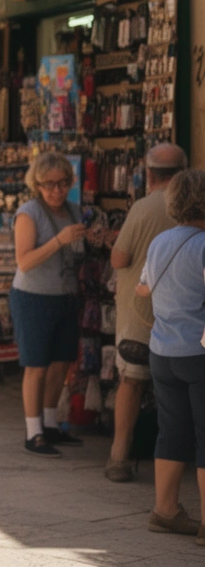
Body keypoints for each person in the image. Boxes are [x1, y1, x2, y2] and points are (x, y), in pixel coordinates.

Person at [106, 143, 186, 481]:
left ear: (149, 173)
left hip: (141, 316)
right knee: (182, 391)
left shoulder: (143, 207)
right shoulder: (192, 209)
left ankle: (119, 457)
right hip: (185, 317)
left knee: (132, 382)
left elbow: (120, 259)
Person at [136, 168, 205, 544]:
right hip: (198, 351)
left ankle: (165, 510)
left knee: (172, 432)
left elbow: (143, 288)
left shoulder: (162, 241)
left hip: (161, 350)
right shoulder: (204, 244)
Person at [10, 152, 86, 456]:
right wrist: (60, 240)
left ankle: (51, 424)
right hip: (33, 297)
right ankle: (34, 432)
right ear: (37, 184)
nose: (56, 190)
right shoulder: (29, 213)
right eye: (49, 184)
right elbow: (24, 261)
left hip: (66, 296)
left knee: (60, 363)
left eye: (62, 183)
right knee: (36, 366)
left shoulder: (74, 210)